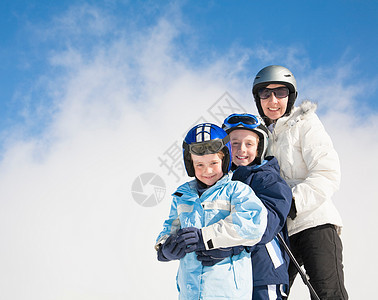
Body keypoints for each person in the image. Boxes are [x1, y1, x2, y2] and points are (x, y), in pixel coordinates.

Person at [252, 65, 348, 299]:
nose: (273, 100)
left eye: (280, 93)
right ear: (258, 99)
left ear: (291, 96)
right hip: (281, 231)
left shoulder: (305, 124)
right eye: (265, 94)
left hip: (315, 222)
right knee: (269, 292)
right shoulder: (257, 136)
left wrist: (291, 203)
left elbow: (327, 172)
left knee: (326, 292)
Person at [155, 123, 267, 300]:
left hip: (227, 291)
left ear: (225, 159)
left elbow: (252, 224)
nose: (207, 171)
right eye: (199, 165)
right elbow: (171, 226)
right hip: (189, 291)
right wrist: (164, 247)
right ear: (190, 165)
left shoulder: (236, 191)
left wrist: (205, 237)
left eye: (213, 163)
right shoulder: (182, 195)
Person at [219, 113, 293, 300]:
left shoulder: (268, 179)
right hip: (228, 276)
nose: (241, 149)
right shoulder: (219, 185)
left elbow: (265, 226)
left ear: (260, 147)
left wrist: (226, 243)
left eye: (249, 144)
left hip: (262, 273)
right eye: (234, 143)